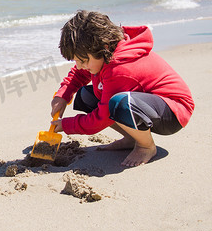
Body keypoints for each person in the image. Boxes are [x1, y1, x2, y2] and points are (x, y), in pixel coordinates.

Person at [50, 10, 194, 166]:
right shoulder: (103, 55)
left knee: (119, 103)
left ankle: (146, 146)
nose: (79, 66)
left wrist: (66, 125)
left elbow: (101, 118)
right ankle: (132, 137)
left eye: (83, 61)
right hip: (145, 104)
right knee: (86, 96)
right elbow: (78, 74)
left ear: (103, 48)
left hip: (173, 111)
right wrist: (63, 95)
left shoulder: (119, 69)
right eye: (77, 60)